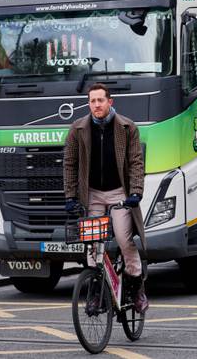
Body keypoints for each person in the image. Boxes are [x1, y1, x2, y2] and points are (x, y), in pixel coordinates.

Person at [63, 83, 148, 313]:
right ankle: (96, 295)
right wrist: (71, 196)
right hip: (93, 194)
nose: (96, 105)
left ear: (110, 102)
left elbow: (136, 163)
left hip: (119, 192)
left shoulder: (127, 127)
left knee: (123, 238)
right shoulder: (77, 129)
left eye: (100, 100)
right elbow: (70, 164)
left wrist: (135, 192)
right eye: (92, 101)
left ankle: (136, 289)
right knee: (93, 244)